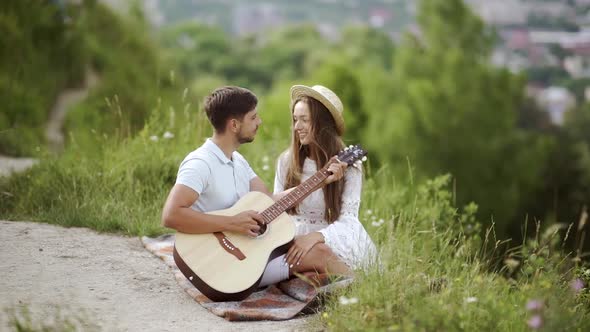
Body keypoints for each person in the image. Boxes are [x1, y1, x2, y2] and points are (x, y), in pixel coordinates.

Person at [161, 86, 348, 289]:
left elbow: (270, 201)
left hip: (247, 257)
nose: (259, 122)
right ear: (234, 125)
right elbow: (171, 216)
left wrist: (320, 181)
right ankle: (363, 290)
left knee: (313, 248)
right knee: (321, 255)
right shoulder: (200, 163)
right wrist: (232, 223)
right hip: (219, 265)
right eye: (253, 117)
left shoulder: (238, 161)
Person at [273, 85, 377, 275]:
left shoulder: (350, 166)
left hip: (330, 236)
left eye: (304, 120)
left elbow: (349, 219)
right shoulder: (286, 161)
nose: (297, 127)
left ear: (322, 123)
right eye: (295, 120)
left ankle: (354, 284)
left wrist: (316, 237)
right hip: (290, 237)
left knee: (323, 252)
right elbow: (276, 209)